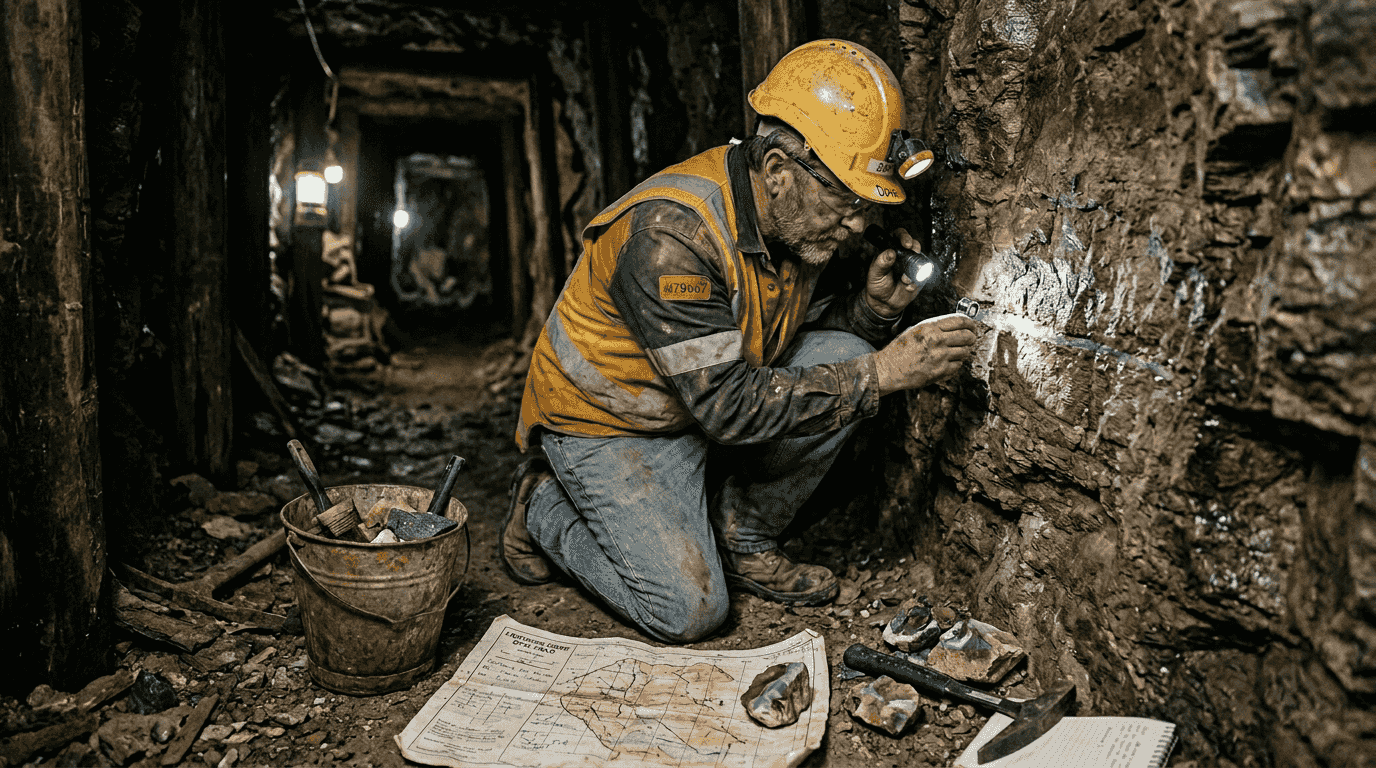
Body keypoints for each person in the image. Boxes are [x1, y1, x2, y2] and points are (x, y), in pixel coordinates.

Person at [500, 39, 977, 643]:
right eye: (845, 200)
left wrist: (872, 311)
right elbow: (730, 408)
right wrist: (884, 374)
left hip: (697, 404)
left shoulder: (793, 221)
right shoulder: (670, 239)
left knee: (850, 355)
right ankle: (541, 505)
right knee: (687, 610)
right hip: (610, 423)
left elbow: (782, 346)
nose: (858, 223)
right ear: (777, 170)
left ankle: (742, 538)